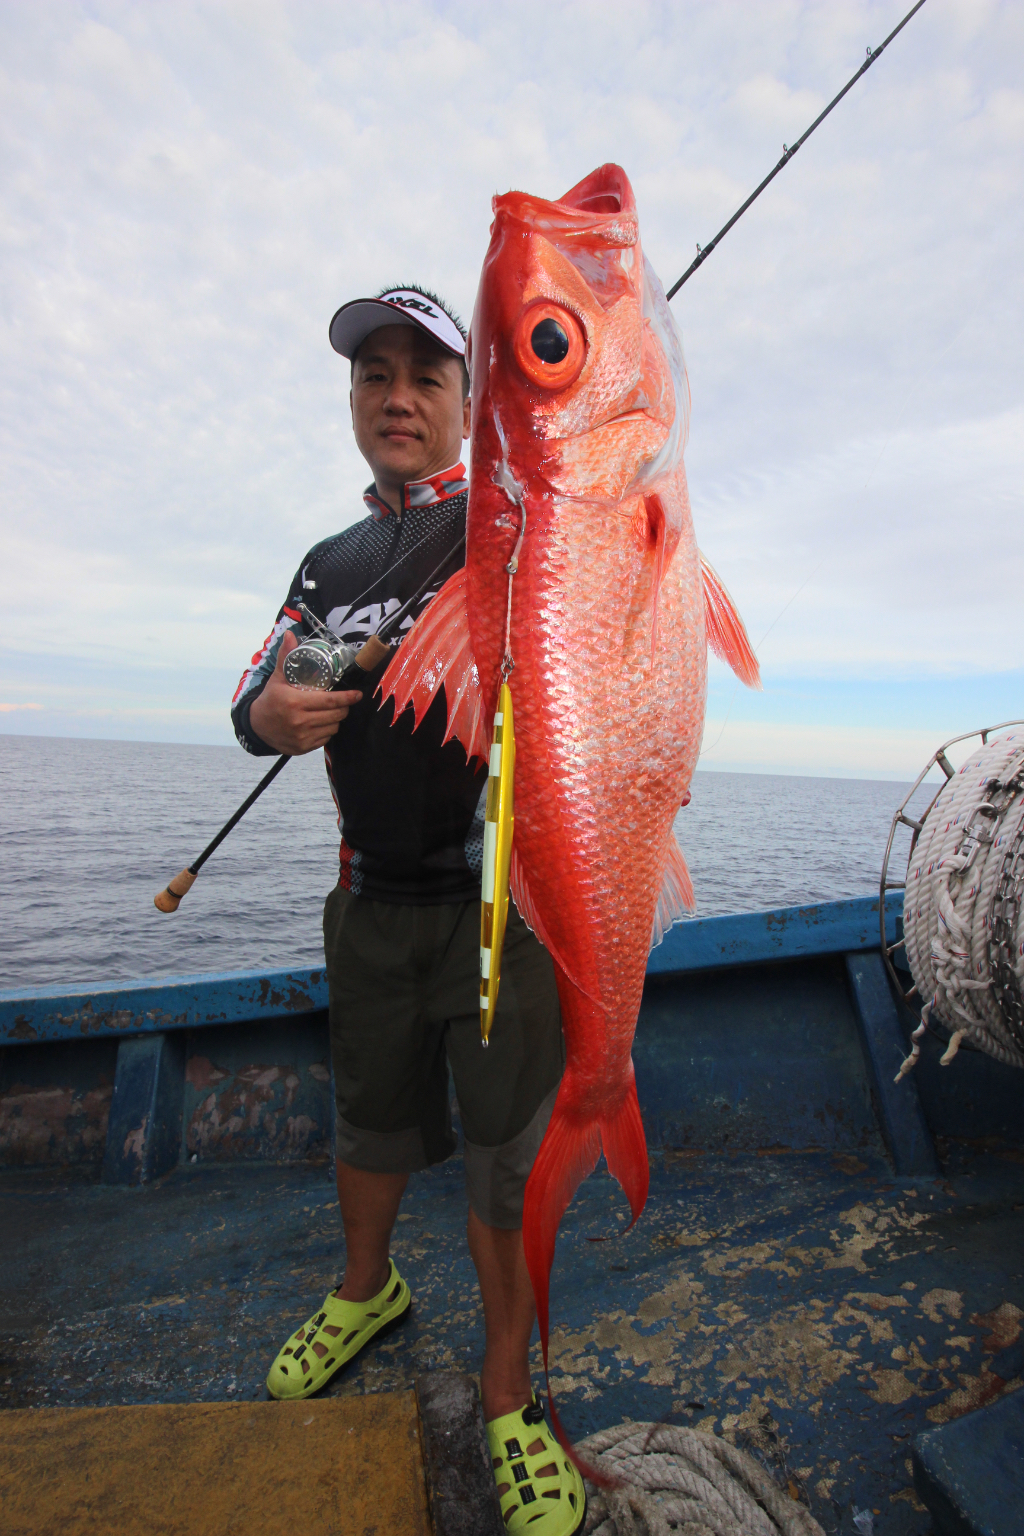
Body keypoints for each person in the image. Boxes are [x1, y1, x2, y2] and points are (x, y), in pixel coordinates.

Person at [231, 285, 585, 1534]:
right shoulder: (328, 564)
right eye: (373, 373)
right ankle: (363, 1291)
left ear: (469, 401)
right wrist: (269, 715)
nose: (395, 395)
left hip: (506, 908)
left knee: (503, 1155)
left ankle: (506, 1390)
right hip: (367, 905)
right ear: (351, 400)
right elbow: (255, 693)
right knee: (370, 1122)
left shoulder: (512, 522)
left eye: (426, 375)